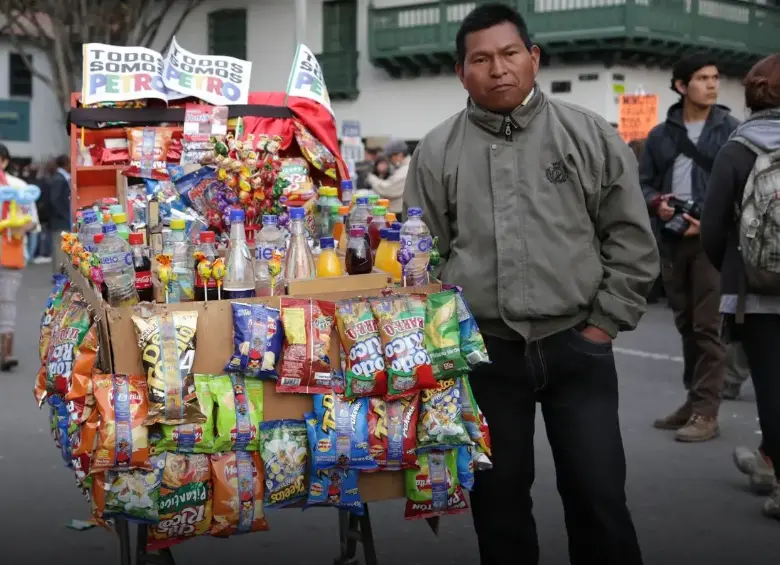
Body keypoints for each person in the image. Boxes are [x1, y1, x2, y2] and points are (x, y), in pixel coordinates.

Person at [403, 4, 658, 564]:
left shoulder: (587, 134)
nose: (499, 68)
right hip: (486, 357)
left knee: (598, 501)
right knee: (499, 507)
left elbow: (630, 239)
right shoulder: (437, 151)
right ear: (461, 72)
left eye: (510, 53)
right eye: (482, 59)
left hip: (577, 347)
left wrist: (602, 325)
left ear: (534, 58)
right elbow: (424, 258)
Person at [640, 53, 740, 442]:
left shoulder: (730, 129)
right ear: (682, 86)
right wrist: (658, 204)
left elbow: (741, 186)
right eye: (703, 78)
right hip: (672, 238)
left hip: (713, 243)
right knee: (686, 326)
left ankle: (706, 411)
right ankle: (692, 401)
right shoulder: (660, 135)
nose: (712, 84)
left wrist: (714, 220)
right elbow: (643, 182)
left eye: (715, 77)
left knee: (707, 328)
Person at [700, 53, 780, 518]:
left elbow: (712, 229)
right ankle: (770, 462)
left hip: (757, 294)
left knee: (772, 386)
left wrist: (735, 268)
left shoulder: (737, 148)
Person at [0, 143, 39, 370]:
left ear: (5, 161)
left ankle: (6, 352)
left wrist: (19, 229)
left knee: (6, 302)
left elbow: (32, 220)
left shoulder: (19, 187)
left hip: (10, 251)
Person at [366, 138, 409, 215]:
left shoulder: (405, 170)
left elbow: (388, 189)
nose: (389, 160)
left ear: (400, 155)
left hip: (398, 213)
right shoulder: (402, 168)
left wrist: (371, 178)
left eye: (390, 157)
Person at [48, 155, 72, 268]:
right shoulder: (59, 179)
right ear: (66, 164)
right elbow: (55, 199)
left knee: (62, 247)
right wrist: (66, 215)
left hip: (60, 220)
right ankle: (60, 275)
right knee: (60, 248)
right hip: (60, 221)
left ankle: (62, 274)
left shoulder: (60, 177)